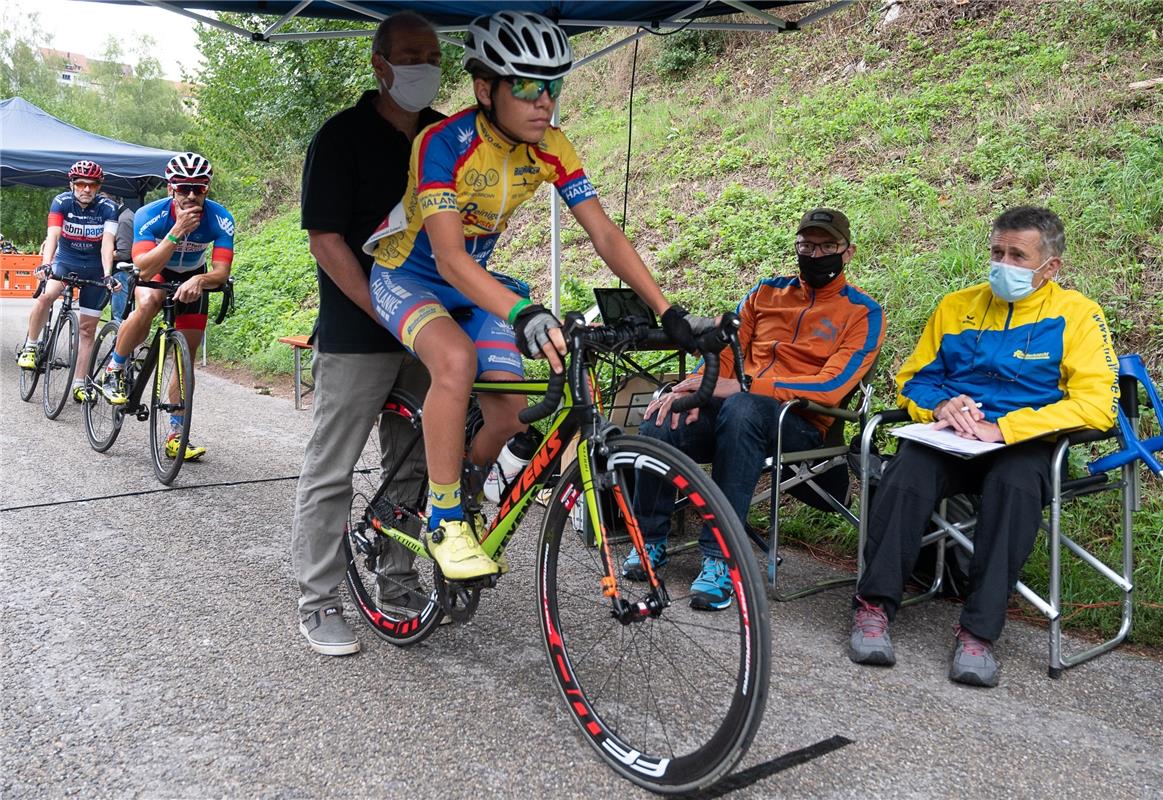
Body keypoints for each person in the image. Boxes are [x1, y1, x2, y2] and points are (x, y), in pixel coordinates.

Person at [363, 11, 713, 587]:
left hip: (476, 283)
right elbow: (449, 257)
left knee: (505, 412)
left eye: (552, 86)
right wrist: (522, 310)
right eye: (525, 86)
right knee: (456, 362)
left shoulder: (551, 147)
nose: (542, 101)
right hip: (411, 276)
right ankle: (445, 521)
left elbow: (604, 233)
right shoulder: (441, 142)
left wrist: (667, 311)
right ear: (485, 88)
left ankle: (458, 488)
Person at [849, 206, 1120, 687]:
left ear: (1050, 267)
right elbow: (912, 380)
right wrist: (940, 406)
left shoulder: (1078, 315)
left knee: (1015, 485)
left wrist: (1007, 429)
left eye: (1018, 255)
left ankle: (978, 633)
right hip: (952, 438)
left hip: (1024, 444)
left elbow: (1098, 406)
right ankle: (873, 606)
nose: (1003, 264)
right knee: (907, 470)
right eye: (997, 252)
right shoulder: (957, 305)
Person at [630, 208, 885, 610]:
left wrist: (745, 386)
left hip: (799, 421)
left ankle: (721, 559)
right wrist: (695, 388)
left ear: (847, 252)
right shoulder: (765, 293)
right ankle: (649, 541)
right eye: (807, 245)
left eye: (826, 246)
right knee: (665, 415)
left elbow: (833, 387)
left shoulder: (863, 312)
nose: (815, 255)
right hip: (735, 409)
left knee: (745, 408)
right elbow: (726, 352)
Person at [292, 11, 442, 656]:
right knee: (333, 467)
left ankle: (397, 576)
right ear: (380, 65)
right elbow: (326, 239)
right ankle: (317, 600)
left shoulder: (445, 136)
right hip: (360, 328)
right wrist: (385, 310)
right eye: (411, 55)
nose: (424, 66)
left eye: (433, 55)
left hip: (432, 326)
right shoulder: (341, 135)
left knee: (414, 460)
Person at [99, 152, 234, 462]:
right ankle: (114, 368)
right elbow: (144, 269)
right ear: (171, 189)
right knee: (150, 300)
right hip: (156, 269)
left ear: (206, 190)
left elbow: (221, 272)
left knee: (184, 356)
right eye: (183, 188)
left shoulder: (220, 217)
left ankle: (176, 434)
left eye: (197, 189)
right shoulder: (151, 214)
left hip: (194, 276)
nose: (190, 195)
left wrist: (200, 282)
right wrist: (176, 233)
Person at [17, 160, 120, 401]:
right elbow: (52, 235)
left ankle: (80, 383)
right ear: (72, 184)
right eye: (81, 184)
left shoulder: (108, 208)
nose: (86, 189)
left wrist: (107, 274)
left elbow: (107, 244)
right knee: (46, 296)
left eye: (92, 185)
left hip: (94, 268)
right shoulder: (61, 202)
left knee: (87, 330)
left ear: (98, 186)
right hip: (66, 261)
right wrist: (46, 262)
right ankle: (31, 346)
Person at [109, 198, 136, 323]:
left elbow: (124, 253)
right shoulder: (125, 215)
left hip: (123, 272)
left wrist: (102, 253)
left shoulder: (123, 219)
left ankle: (119, 341)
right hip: (126, 272)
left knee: (119, 318)